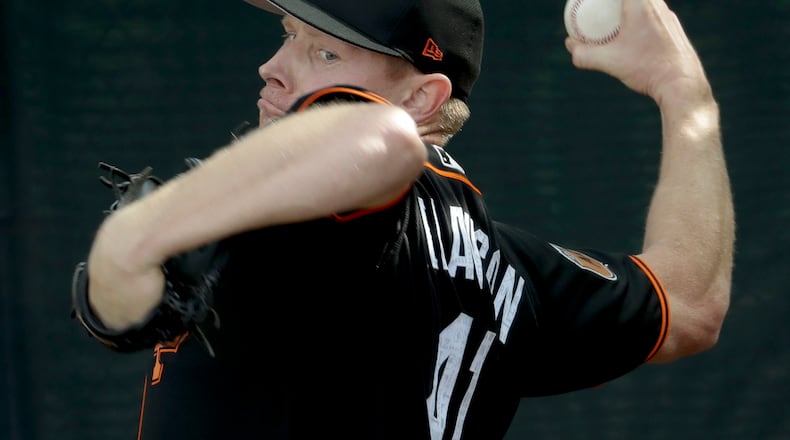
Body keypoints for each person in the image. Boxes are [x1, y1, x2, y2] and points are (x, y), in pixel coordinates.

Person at [73, 0, 734, 438]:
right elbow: (689, 301)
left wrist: (136, 237)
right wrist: (685, 94)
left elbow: (380, 143)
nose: (273, 68)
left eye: (323, 54)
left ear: (422, 97)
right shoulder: (507, 272)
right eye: (287, 36)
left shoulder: (321, 222)